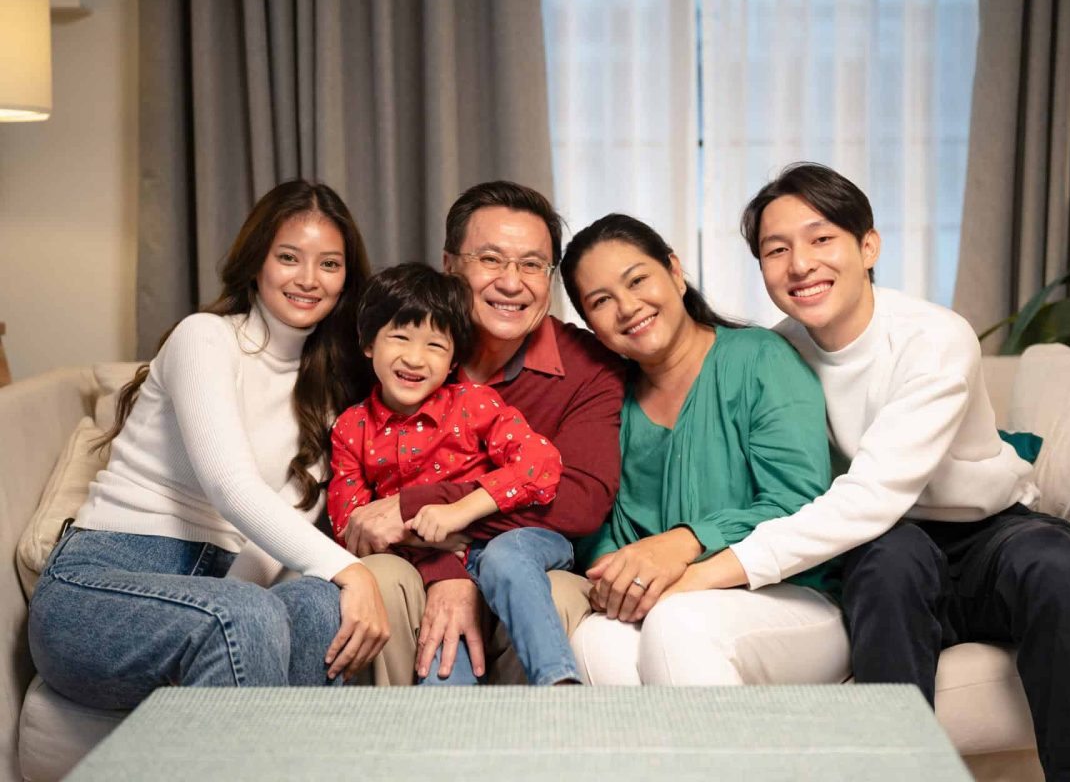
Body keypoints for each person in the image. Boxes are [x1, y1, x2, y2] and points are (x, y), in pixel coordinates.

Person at [669, 162, 1070, 780]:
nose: (800, 264)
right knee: (889, 561)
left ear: (868, 246)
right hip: (885, 544)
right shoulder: (777, 351)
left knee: (1055, 564)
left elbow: (873, 493)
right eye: (776, 250)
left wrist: (706, 573)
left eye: (821, 238)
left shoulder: (934, 337)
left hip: (990, 533)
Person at [27, 180, 391, 709]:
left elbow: (265, 548)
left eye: (329, 264)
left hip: (214, 594)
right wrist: (349, 568)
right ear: (257, 261)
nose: (308, 279)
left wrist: (240, 642)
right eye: (288, 257)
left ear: (346, 280)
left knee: (319, 602)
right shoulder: (205, 338)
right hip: (98, 588)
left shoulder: (330, 398)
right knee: (250, 611)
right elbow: (229, 485)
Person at [339, 181, 625, 685]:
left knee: (553, 591)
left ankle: (551, 710)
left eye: (532, 265)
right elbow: (360, 520)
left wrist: (423, 506)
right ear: (450, 265)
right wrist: (445, 570)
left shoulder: (588, 367)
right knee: (378, 578)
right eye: (490, 259)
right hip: (416, 561)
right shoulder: (404, 353)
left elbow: (579, 502)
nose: (512, 283)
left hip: (527, 562)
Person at [560, 213, 849, 685]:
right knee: (595, 642)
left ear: (675, 272)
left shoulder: (760, 358)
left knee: (680, 624)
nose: (628, 307)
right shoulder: (608, 399)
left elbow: (800, 503)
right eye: (601, 301)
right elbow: (597, 523)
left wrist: (684, 542)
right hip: (663, 602)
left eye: (637, 280)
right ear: (590, 324)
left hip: (793, 596)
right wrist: (621, 579)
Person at [328, 262, 580, 685]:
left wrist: (458, 512)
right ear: (369, 343)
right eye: (400, 337)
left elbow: (539, 464)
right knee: (442, 658)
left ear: (451, 362)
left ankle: (560, 684)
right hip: (436, 561)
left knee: (506, 559)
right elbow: (351, 527)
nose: (414, 358)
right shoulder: (352, 428)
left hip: (516, 540)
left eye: (434, 345)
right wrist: (422, 538)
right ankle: (453, 717)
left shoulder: (473, 403)